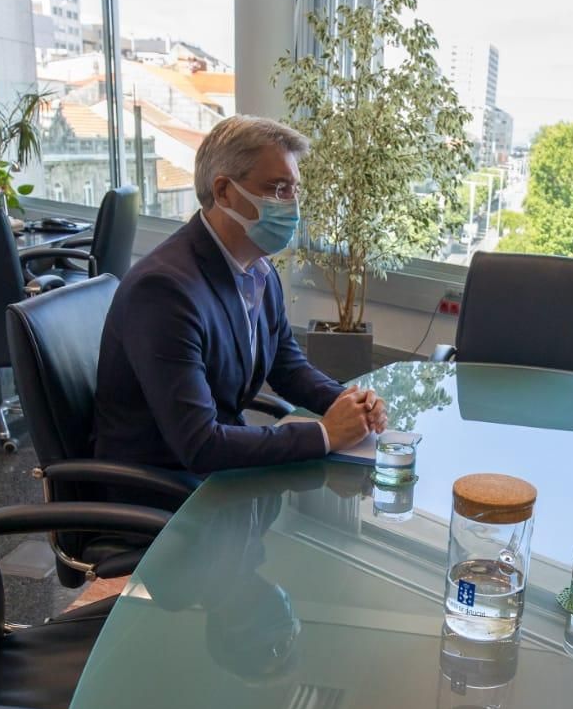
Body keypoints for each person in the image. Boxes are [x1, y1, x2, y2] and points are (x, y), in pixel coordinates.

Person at [94, 114, 387, 476]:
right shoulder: (164, 290)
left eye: (294, 189)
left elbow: (286, 366)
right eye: (278, 188)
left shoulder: (258, 268)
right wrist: (325, 434)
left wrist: (346, 401)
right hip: (160, 488)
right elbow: (199, 445)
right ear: (223, 191)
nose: (292, 205)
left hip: (217, 468)